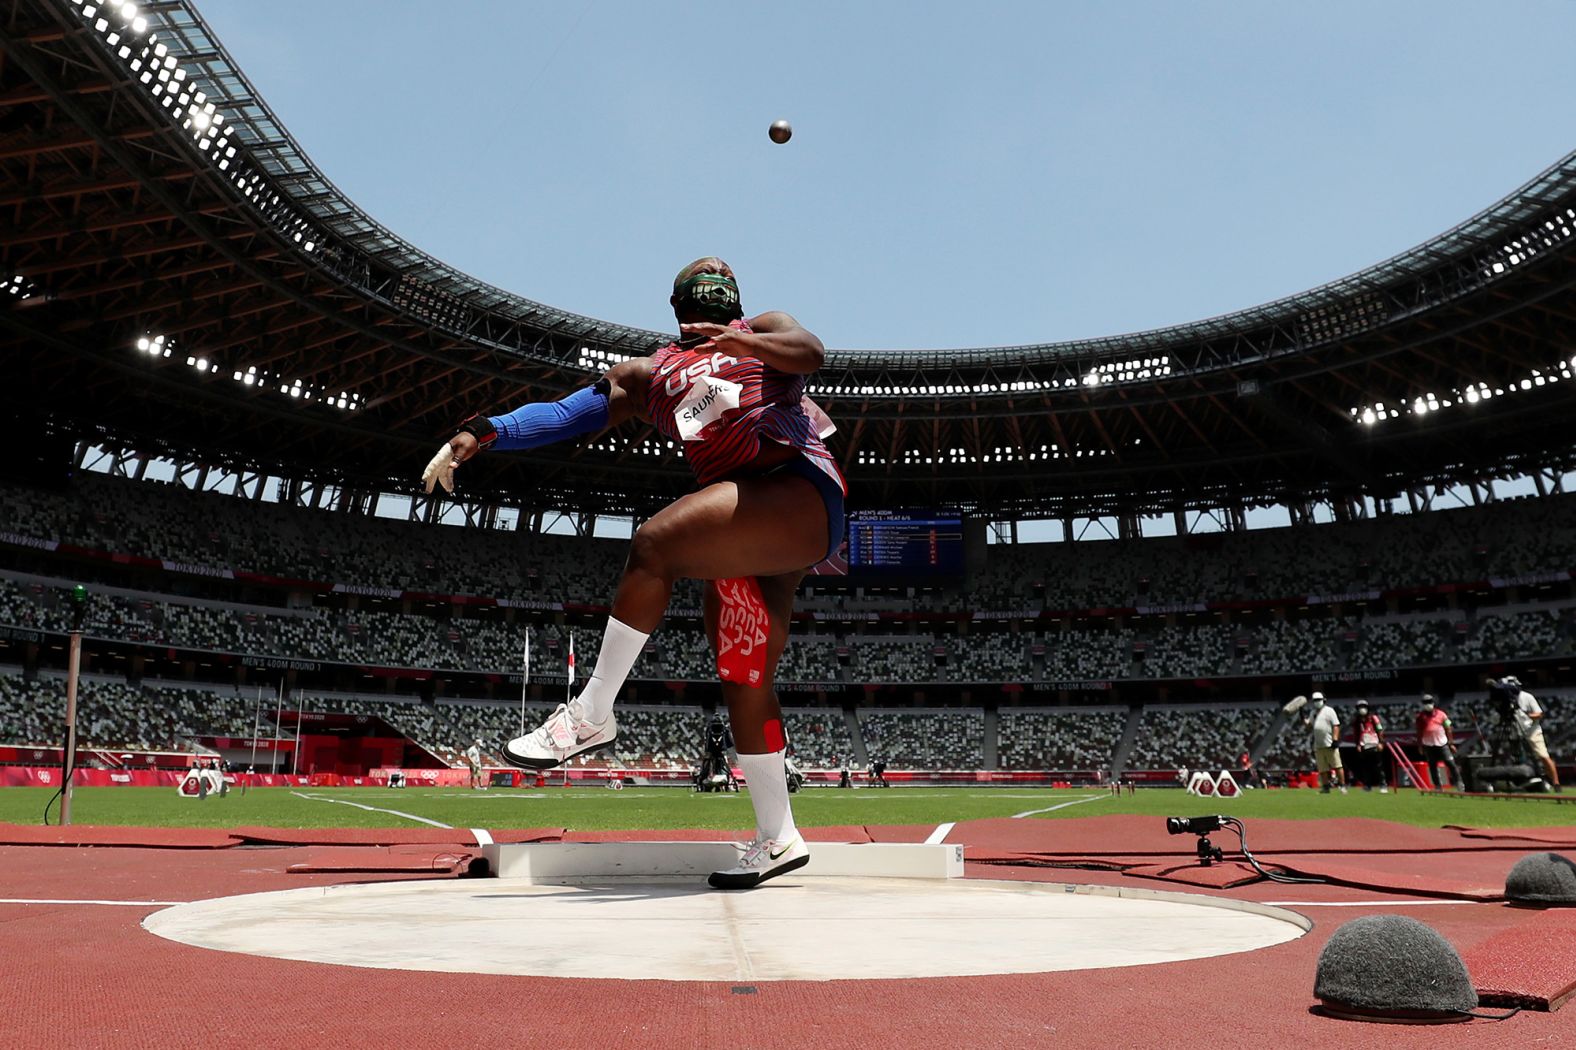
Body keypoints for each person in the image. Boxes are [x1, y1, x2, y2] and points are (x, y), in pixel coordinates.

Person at [422, 258, 844, 889]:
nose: (713, 281)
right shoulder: (648, 374)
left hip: (795, 492)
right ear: (676, 304)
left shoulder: (765, 329)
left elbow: (809, 352)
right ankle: (779, 836)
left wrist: (743, 341)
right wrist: (480, 434)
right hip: (743, 523)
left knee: (654, 544)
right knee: (744, 673)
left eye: (721, 284)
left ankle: (592, 712)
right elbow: (565, 415)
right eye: (702, 285)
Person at [1502, 676, 1561, 792]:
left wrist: (1526, 715)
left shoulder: (1527, 697)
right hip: (1516, 732)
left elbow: (1539, 714)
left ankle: (1556, 782)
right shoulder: (1506, 699)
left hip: (1532, 731)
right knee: (1516, 758)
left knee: (1543, 756)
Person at [1414, 694, 1461, 790]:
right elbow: (1419, 732)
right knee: (1432, 766)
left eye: (1429, 702)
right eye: (1425, 703)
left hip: (1442, 743)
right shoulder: (1420, 717)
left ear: (1433, 702)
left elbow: (1448, 728)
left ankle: (1459, 783)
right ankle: (1438, 786)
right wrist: (1420, 746)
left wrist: (1451, 744)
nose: (1428, 704)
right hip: (1428, 744)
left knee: (1450, 763)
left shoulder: (1442, 714)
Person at [1304, 692, 1347, 794]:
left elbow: (1336, 725)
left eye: (1318, 700)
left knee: (1337, 765)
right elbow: (1309, 726)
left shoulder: (1329, 711)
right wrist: (1303, 719)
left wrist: (1335, 739)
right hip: (1318, 745)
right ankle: (1326, 787)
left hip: (1329, 743)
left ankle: (1342, 785)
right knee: (1322, 768)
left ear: (1323, 700)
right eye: (1315, 700)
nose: (1317, 702)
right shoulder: (1313, 712)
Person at [1351, 701, 1388, 793]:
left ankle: (1383, 785)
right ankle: (1367, 786)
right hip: (1364, 746)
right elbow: (1356, 734)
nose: (1362, 709)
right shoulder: (1357, 720)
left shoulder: (1373, 718)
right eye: (1360, 707)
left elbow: (1380, 730)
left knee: (1378, 767)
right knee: (1365, 767)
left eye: (1363, 706)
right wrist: (1358, 745)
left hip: (1374, 744)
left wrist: (1381, 743)